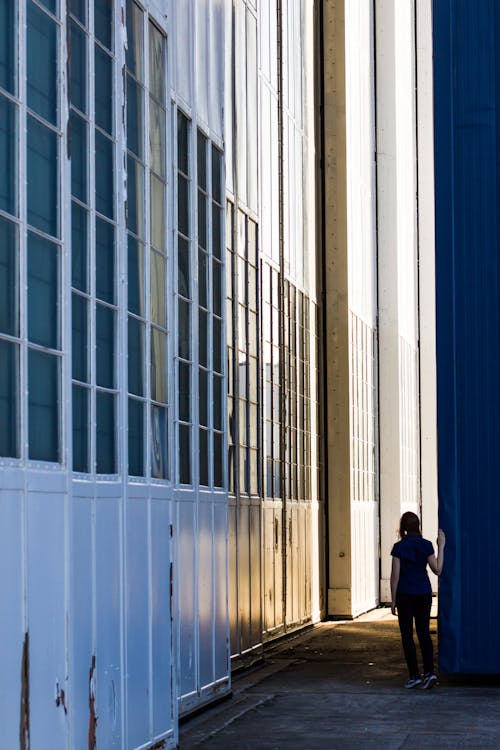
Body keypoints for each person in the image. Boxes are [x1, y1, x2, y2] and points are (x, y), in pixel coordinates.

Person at [390, 511, 446, 689]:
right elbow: (437, 569)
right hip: (423, 594)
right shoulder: (427, 545)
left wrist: (393, 600)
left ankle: (414, 675)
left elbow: (395, 576)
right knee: (424, 634)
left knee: (407, 636)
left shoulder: (399, 547)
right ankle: (429, 673)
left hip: (405, 595)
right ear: (418, 526)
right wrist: (441, 546)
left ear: (404, 528)